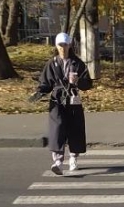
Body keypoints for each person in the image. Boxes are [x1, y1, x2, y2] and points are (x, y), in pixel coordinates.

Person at [31, 32, 92, 175]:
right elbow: (45, 83)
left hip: (73, 98)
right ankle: (58, 161)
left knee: (74, 128)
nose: (63, 48)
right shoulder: (52, 63)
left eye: (65, 44)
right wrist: (39, 92)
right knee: (57, 127)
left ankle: (73, 158)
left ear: (70, 45)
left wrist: (77, 81)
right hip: (57, 99)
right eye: (60, 45)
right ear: (56, 46)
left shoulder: (78, 63)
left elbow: (88, 84)